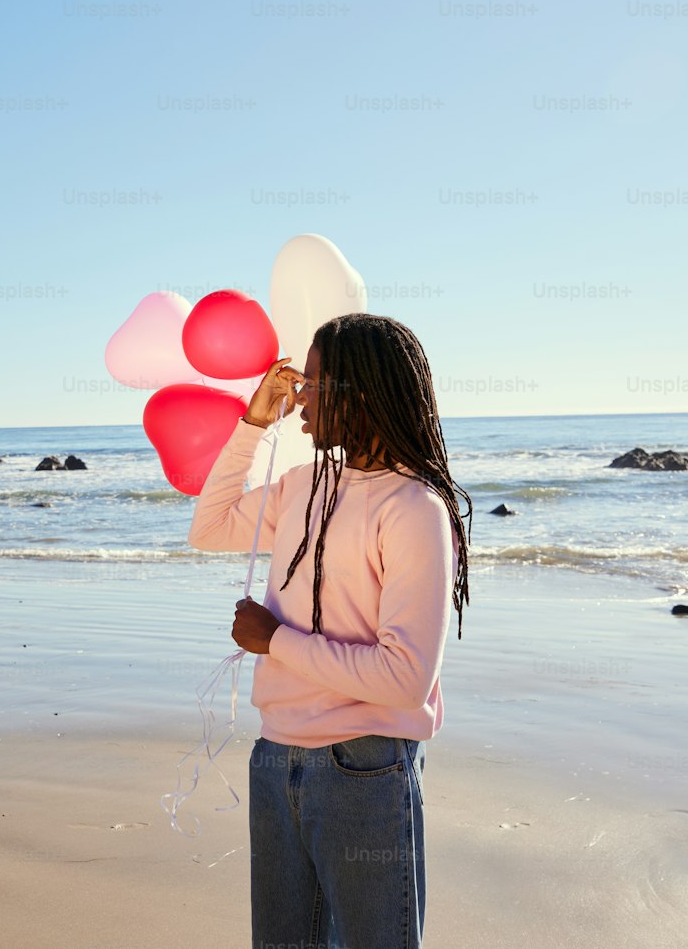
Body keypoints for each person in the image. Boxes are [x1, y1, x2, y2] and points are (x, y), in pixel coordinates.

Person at [189, 313, 471, 949]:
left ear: (360, 393)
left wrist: (274, 642)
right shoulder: (302, 487)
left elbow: (404, 678)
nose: (298, 394)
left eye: (314, 381)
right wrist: (253, 424)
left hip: (364, 768)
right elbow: (208, 528)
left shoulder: (412, 508)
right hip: (275, 756)